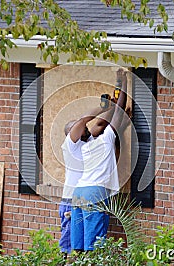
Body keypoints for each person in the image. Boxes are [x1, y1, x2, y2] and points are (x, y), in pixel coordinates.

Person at [70, 68, 128, 252]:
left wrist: (109, 101)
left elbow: (100, 124)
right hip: (95, 192)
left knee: (78, 245)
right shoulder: (106, 139)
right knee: (94, 247)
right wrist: (123, 82)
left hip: (78, 193)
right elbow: (119, 113)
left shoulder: (84, 146)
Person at [59, 98, 115, 254]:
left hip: (85, 196)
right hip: (71, 200)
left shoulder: (88, 143)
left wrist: (114, 107)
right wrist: (101, 107)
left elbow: (101, 125)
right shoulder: (70, 146)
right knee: (70, 247)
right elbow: (82, 121)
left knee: (85, 245)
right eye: (83, 128)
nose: (86, 128)